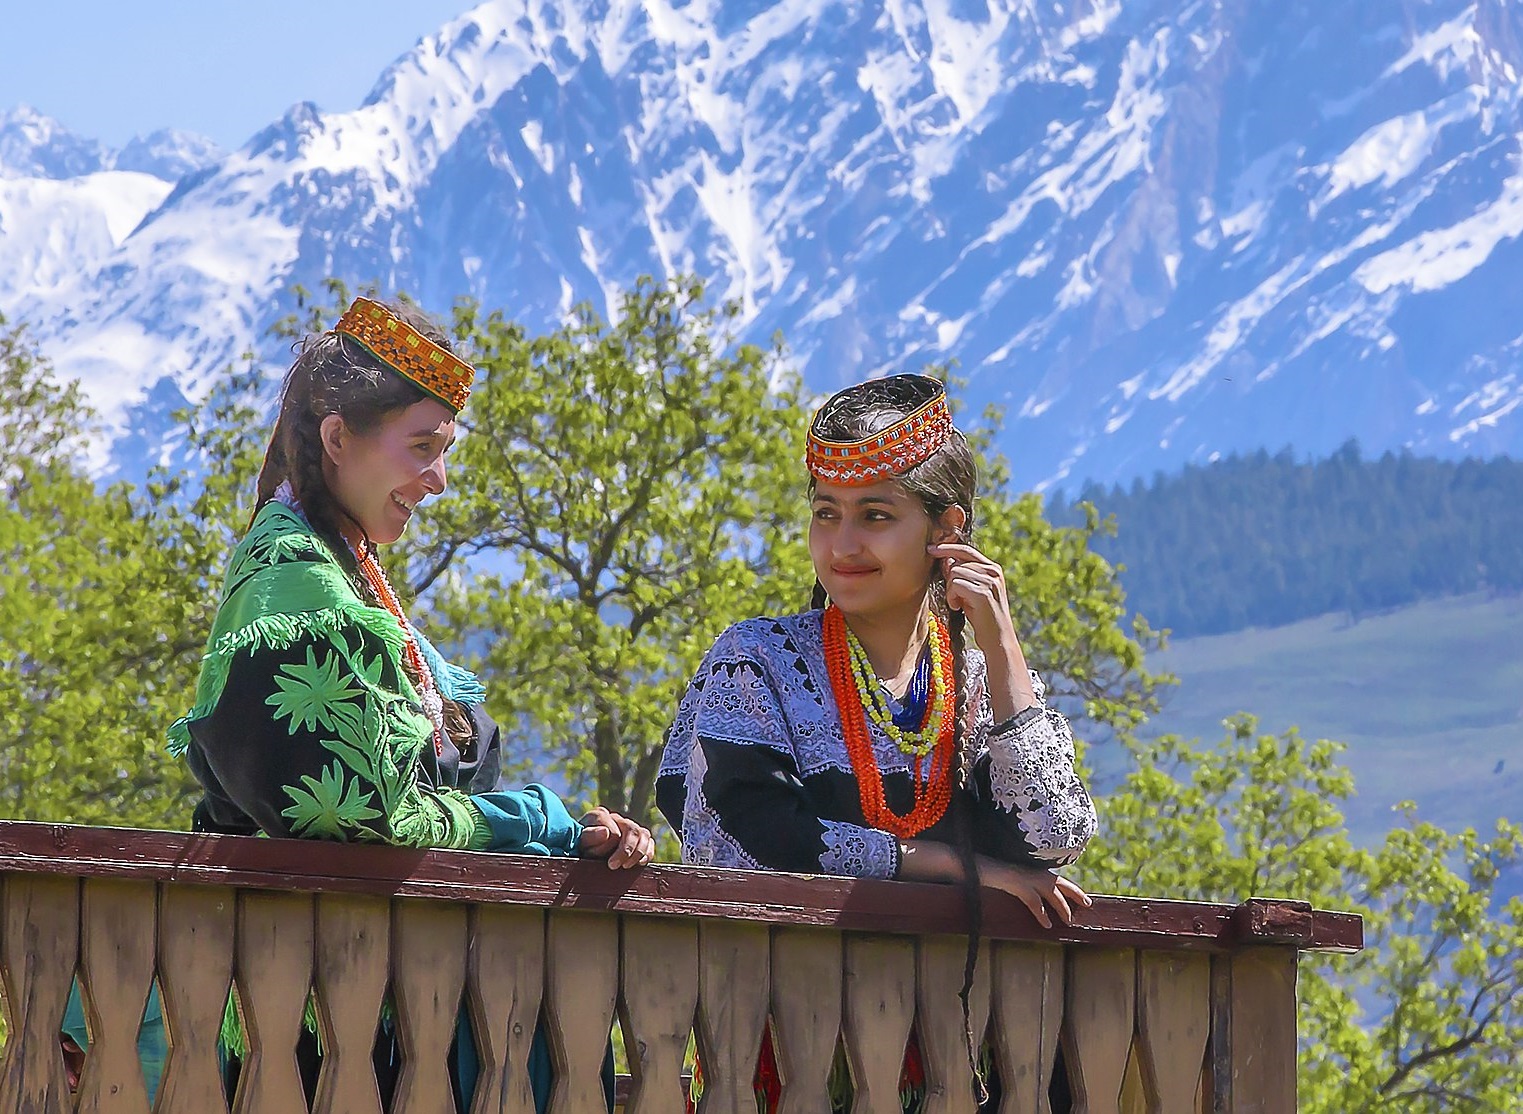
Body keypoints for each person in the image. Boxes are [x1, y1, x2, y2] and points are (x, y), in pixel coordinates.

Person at [160, 295, 650, 1108]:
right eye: (422, 447)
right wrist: (546, 824)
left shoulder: (344, 570)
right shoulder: (296, 591)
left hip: (378, 1008)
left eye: (444, 450)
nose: (439, 480)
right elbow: (369, 817)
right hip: (317, 1030)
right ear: (337, 437)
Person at [657, 374, 1097, 1109]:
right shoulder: (755, 659)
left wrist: (1004, 642)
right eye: (825, 515)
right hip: (780, 1037)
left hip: (953, 1045)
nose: (842, 545)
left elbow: (1052, 836)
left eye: (874, 516)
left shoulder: (982, 684)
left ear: (946, 529)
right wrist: (966, 870)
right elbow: (761, 836)